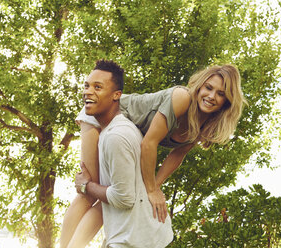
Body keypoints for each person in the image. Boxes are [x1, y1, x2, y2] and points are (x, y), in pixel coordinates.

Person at [60, 60, 246, 247]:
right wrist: (151, 189)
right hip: (100, 115)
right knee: (90, 191)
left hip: (122, 136)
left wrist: (154, 186)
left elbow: (177, 155)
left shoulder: (205, 125)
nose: (211, 96)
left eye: (220, 94)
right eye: (208, 87)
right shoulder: (182, 98)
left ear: (227, 101)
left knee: (110, 197)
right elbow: (149, 143)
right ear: (200, 86)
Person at [63, 59, 173, 248]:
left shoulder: (116, 136)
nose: (88, 91)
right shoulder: (111, 131)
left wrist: (86, 186)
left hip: (136, 242)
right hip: (141, 237)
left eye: (98, 87)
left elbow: (124, 198)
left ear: (117, 95)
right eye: (87, 86)